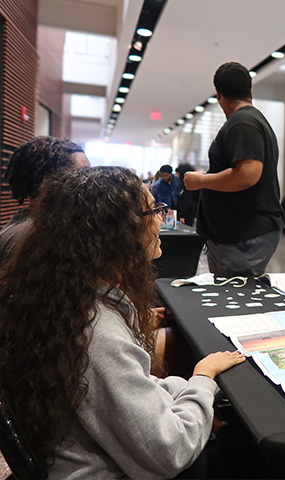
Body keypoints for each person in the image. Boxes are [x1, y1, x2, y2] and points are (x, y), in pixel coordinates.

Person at [0, 166, 245, 478]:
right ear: (117, 232)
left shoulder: (61, 300)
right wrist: (203, 379)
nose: (161, 219)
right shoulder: (95, 330)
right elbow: (171, 450)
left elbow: (131, 384)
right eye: (153, 210)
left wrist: (189, 397)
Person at [184, 62, 284, 278]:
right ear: (250, 90)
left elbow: (247, 174)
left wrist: (201, 181)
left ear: (218, 94)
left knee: (234, 298)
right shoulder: (249, 121)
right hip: (242, 233)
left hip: (242, 234)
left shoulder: (243, 122)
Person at [0, 136, 90, 265]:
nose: (89, 180)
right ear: (46, 180)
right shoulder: (27, 238)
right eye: (82, 174)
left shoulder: (50, 225)